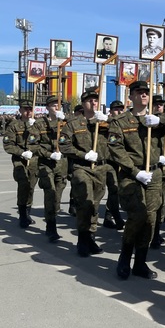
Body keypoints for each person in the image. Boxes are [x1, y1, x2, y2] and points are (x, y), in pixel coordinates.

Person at [108, 82, 165, 280]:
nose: (143, 95)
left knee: (150, 219)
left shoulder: (156, 119)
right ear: (130, 96)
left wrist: (160, 120)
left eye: (146, 92)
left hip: (155, 173)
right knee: (137, 216)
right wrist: (133, 171)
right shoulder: (121, 120)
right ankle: (124, 258)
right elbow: (115, 148)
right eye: (139, 92)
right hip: (132, 175)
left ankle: (140, 262)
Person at [59, 88, 112, 257]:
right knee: (85, 203)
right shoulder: (74, 123)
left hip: (100, 168)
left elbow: (120, 137)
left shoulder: (104, 122)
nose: (93, 102)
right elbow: (64, 145)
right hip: (82, 168)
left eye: (95, 100)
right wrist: (83, 155)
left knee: (95, 206)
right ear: (83, 103)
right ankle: (82, 240)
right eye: (89, 100)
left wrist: (109, 122)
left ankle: (91, 237)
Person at [34, 96, 69, 242]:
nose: (56, 108)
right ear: (47, 107)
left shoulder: (66, 122)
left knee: (58, 198)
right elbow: (33, 145)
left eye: (58, 105)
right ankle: (51, 226)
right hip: (46, 164)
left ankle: (52, 219)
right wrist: (49, 154)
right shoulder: (39, 124)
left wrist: (65, 120)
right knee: (50, 194)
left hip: (62, 165)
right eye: (53, 105)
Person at [3, 99, 40, 228]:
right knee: (23, 184)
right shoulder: (13, 125)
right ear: (20, 110)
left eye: (30, 109)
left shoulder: (37, 125)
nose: (28, 112)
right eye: (25, 109)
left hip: (34, 160)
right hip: (20, 160)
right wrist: (21, 153)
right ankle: (23, 215)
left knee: (31, 187)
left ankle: (27, 212)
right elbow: (8, 145)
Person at [103, 100, 126, 231]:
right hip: (108, 161)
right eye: (116, 109)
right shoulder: (104, 123)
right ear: (110, 111)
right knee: (113, 189)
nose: (119, 112)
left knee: (117, 190)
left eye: (121, 109)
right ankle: (115, 217)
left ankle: (109, 215)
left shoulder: (123, 123)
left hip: (120, 161)